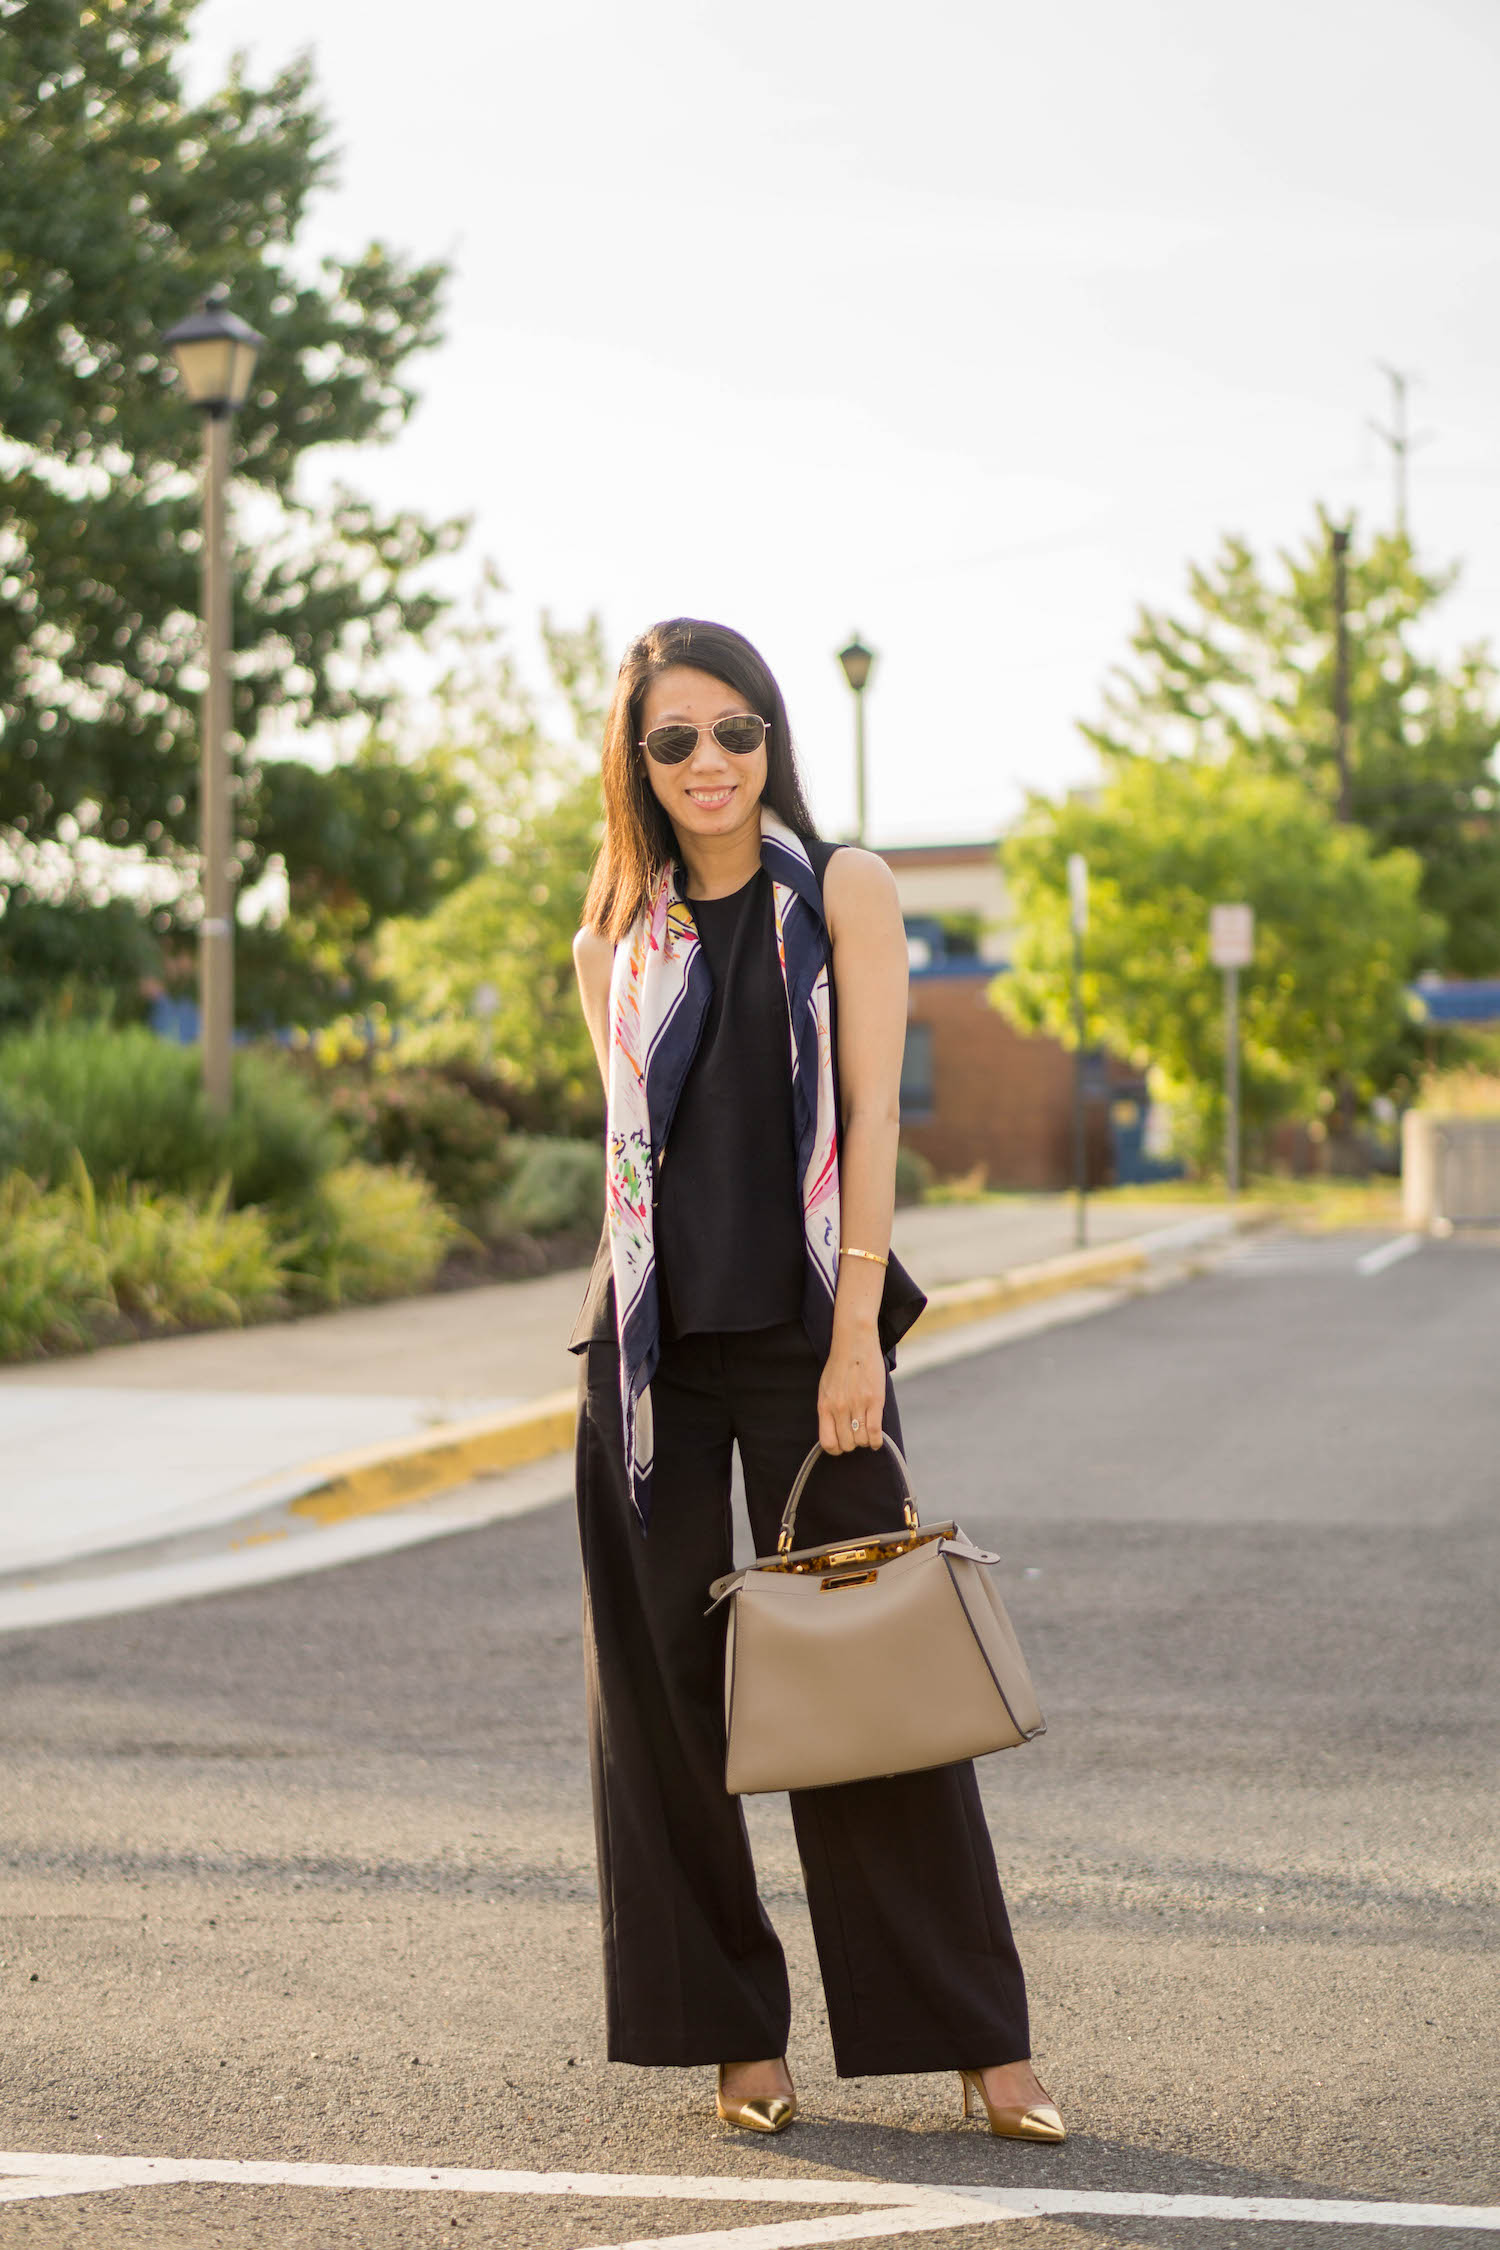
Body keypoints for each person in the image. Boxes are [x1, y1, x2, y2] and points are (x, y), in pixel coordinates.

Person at [568, 617, 1063, 2144]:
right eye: (675, 739)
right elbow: (627, 1167)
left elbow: (873, 1122)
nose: (709, 761)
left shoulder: (840, 887)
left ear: (772, 738)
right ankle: (732, 2031)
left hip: (809, 1337)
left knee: (876, 1678)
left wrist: (859, 1333)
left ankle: (982, 2039)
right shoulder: (610, 937)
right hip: (652, 1363)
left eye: (735, 730)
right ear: (635, 763)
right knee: (659, 1703)